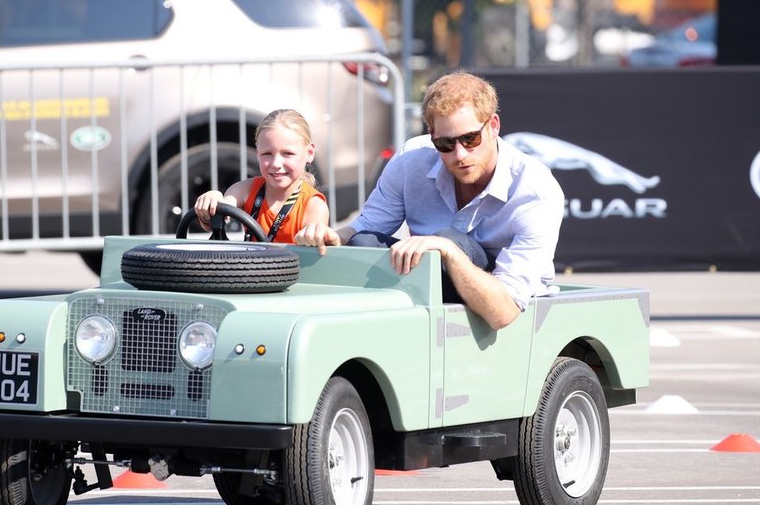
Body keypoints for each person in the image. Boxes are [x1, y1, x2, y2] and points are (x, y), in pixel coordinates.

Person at [294, 71, 565, 330]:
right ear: (431, 134)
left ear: (493, 126)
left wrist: (447, 250)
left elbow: (503, 313)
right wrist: (331, 237)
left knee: (450, 238)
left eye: (470, 139)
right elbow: (367, 227)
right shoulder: (410, 159)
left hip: (498, 294)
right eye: (445, 144)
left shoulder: (536, 190)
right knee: (363, 242)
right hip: (430, 282)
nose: (459, 154)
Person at [194, 109, 329, 243]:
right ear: (258, 153)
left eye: (287, 153)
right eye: (267, 154)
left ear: (310, 153)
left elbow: (313, 255)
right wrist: (212, 201)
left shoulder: (314, 206)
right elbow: (221, 209)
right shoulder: (246, 189)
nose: (276, 163)